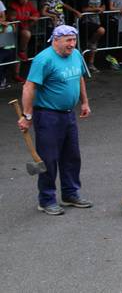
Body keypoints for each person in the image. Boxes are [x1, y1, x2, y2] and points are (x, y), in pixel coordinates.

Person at [17, 25, 92, 215]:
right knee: (49, 159)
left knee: (72, 156)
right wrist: (27, 116)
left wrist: (85, 102)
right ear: (56, 40)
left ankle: (70, 193)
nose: (72, 44)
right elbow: (29, 87)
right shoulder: (44, 59)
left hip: (68, 114)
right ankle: (47, 199)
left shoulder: (75, 55)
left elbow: (80, 78)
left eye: (74, 40)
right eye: (68, 40)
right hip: (48, 115)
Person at [9, 0, 40, 67]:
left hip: (24, 30)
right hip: (14, 31)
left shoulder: (29, 4)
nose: (25, 0)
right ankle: (14, 73)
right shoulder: (13, 5)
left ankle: (17, 74)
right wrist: (29, 18)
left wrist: (34, 17)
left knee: (21, 52)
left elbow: (36, 13)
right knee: (18, 50)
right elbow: (13, 17)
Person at [80, 0, 106, 73]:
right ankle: (90, 42)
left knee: (94, 45)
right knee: (101, 30)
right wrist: (95, 9)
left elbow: (103, 5)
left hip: (96, 21)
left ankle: (91, 64)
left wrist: (102, 8)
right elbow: (83, 9)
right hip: (87, 22)